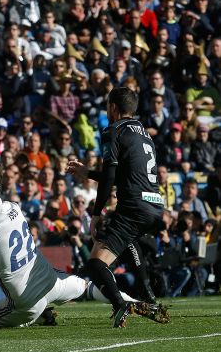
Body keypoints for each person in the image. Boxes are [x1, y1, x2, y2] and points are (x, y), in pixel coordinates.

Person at [0, 166, 166, 329]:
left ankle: (37, 317)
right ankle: (135, 303)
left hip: (27, 303)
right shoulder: (12, 207)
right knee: (86, 287)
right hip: (51, 281)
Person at [67, 87, 169, 327]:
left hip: (134, 205)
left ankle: (120, 303)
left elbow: (111, 177)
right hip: (155, 205)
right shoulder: (145, 134)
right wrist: (88, 173)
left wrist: (96, 213)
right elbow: (123, 174)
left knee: (95, 264)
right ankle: (147, 294)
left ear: (113, 107)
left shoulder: (113, 130)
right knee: (128, 239)